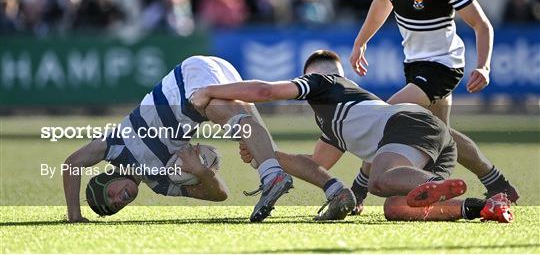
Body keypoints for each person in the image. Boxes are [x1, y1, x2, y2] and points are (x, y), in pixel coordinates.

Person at [191, 50, 514, 223]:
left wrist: (210, 90)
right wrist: (264, 154)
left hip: (408, 129)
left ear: (311, 75)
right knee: (396, 209)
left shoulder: (323, 83)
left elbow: (264, 90)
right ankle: (482, 207)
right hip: (424, 145)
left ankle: (427, 182)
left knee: (380, 181)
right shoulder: (338, 120)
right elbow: (315, 164)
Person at [348, 0, 518, 209]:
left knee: (385, 116)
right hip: (415, 65)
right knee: (441, 135)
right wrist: (361, 41)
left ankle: (355, 193)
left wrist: (484, 67)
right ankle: (497, 181)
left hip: (443, 67)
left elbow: (482, 25)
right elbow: (382, 4)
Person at [63, 55, 351, 223]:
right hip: (207, 89)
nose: (120, 199)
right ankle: (335, 190)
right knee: (266, 153)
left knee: (210, 106)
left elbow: (71, 164)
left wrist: (74, 215)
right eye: (116, 206)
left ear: (106, 178)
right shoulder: (161, 184)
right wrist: (201, 171)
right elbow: (219, 195)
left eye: (110, 195)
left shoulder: (115, 147)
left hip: (189, 84)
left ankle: (272, 176)